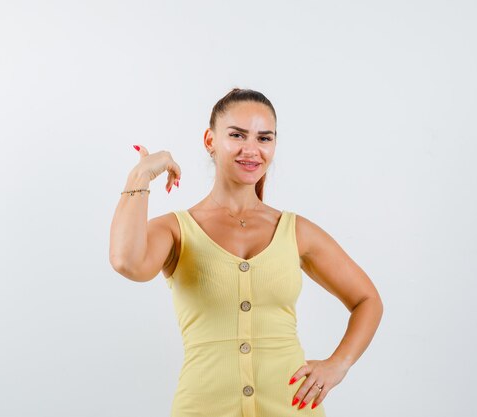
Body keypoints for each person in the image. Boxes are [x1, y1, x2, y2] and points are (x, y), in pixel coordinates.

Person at [109, 87, 384, 416]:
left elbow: (367, 300)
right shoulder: (176, 229)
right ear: (210, 141)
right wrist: (141, 174)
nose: (251, 150)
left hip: (291, 407)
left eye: (264, 138)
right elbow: (126, 262)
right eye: (237, 135)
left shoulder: (295, 230)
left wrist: (338, 365)